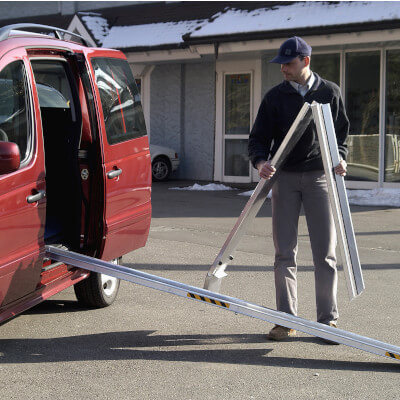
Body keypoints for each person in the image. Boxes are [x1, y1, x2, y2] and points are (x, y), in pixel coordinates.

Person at [248, 36, 349, 341]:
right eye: (280, 65)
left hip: (320, 177)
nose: (283, 70)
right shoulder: (275, 97)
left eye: (288, 64)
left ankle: (326, 321)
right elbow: (258, 138)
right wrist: (260, 161)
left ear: (305, 61)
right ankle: (285, 320)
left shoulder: (329, 92)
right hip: (285, 179)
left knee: (325, 253)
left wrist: (340, 158)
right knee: (284, 252)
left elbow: (341, 135)